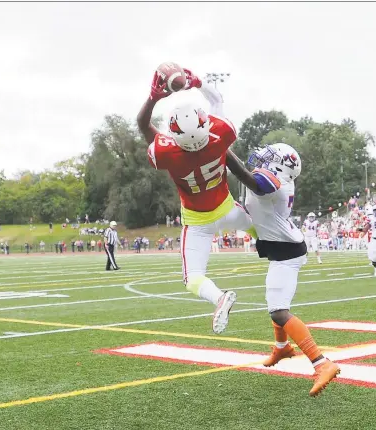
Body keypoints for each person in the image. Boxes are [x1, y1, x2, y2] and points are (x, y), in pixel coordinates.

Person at [137, 66, 272, 334]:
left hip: (198, 222)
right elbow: (217, 101)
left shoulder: (166, 153)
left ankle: (219, 297)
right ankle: (276, 245)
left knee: (192, 278)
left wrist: (153, 98)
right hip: (228, 210)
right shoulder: (221, 134)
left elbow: (143, 126)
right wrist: (197, 82)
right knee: (259, 228)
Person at [226, 143, 340, 397]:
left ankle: (322, 363)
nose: (262, 159)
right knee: (273, 302)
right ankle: (282, 348)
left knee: (279, 312)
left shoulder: (274, 182)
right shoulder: (276, 178)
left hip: (288, 253)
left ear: (280, 165)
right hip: (282, 249)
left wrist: (222, 151)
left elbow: (245, 176)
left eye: (269, 157)